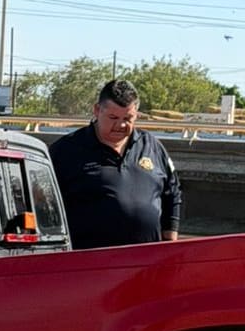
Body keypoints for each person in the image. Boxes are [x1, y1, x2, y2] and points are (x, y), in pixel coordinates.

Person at [49, 78, 182, 248]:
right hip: (91, 264)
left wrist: (170, 240)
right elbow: (43, 203)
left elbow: (172, 192)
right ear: (97, 110)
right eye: (113, 117)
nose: (120, 125)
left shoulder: (152, 146)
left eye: (128, 118)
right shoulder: (65, 151)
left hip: (146, 263)